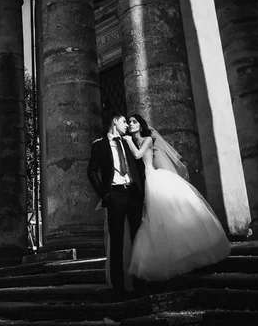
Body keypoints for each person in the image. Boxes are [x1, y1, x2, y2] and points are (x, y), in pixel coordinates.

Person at [123, 113, 231, 282]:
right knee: (158, 220)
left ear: (141, 125)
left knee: (169, 215)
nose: (131, 124)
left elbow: (138, 155)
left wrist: (128, 141)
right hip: (148, 180)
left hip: (155, 178)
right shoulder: (136, 140)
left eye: (134, 122)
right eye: (129, 122)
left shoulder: (147, 139)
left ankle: (191, 250)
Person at [87, 114, 145, 300]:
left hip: (133, 194)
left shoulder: (129, 142)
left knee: (138, 238)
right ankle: (118, 287)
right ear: (114, 122)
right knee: (117, 242)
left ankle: (140, 283)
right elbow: (92, 171)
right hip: (115, 195)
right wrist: (105, 194)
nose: (127, 125)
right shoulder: (100, 145)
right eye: (123, 122)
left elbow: (140, 165)